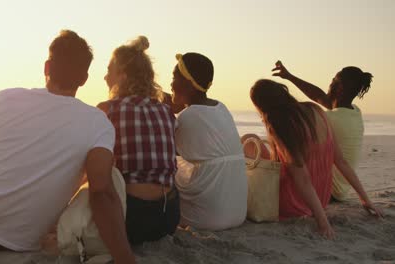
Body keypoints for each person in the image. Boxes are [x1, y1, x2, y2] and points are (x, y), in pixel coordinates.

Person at [0, 30, 135, 263]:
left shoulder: (4, 99)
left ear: (47, 68)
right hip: (22, 241)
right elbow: (101, 193)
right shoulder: (98, 123)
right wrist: (126, 258)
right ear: (84, 79)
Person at [243, 79, 383, 239]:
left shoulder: (280, 124)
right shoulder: (316, 110)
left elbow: (302, 180)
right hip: (321, 197)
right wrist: (366, 201)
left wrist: (323, 224)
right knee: (254, 139)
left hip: (295, 203)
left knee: (248, 139)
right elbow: (341, 161)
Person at [97, 36, 179, 245]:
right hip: (169, 217)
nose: (105, 77)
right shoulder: (165, 110)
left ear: (122, 77)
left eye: (109, 71)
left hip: (132, 218)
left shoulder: (107, 110)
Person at [272, 61, 373, 201]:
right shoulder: (354, 112)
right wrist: (290, 77)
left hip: (326, 191)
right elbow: (320, 97)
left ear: (339, 88)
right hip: (341, 191)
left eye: (333, 81)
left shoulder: (330, 119)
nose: (329, 84)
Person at [171, 52, 247, 230]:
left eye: (174, 77)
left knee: (164, 165)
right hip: (238, 214)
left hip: (209, 219)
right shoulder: (221, 107)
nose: (171, 84)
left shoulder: (187, 117)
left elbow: (165, 150)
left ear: (189, 84)